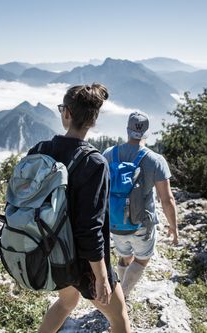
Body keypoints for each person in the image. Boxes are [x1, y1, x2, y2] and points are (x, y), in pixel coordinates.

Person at [33, 84, 131, 333]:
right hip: (83, 264)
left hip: (50, 251)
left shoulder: (40, 150)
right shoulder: (94, 163)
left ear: (66, 113)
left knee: (67, 302)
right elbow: (90, 229)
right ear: (93, 120)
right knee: (119, 318)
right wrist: (101, 278)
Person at [103, 111, 179, 299]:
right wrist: (174, 226)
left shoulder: (108, 154)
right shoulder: (156, 160)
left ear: (127, 129)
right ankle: (121, 297)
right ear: (146, 132)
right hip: (142, 224)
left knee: (124, 256)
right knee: (142, 260)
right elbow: (167, 199)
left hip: (115, 221)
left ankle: (119, 293)